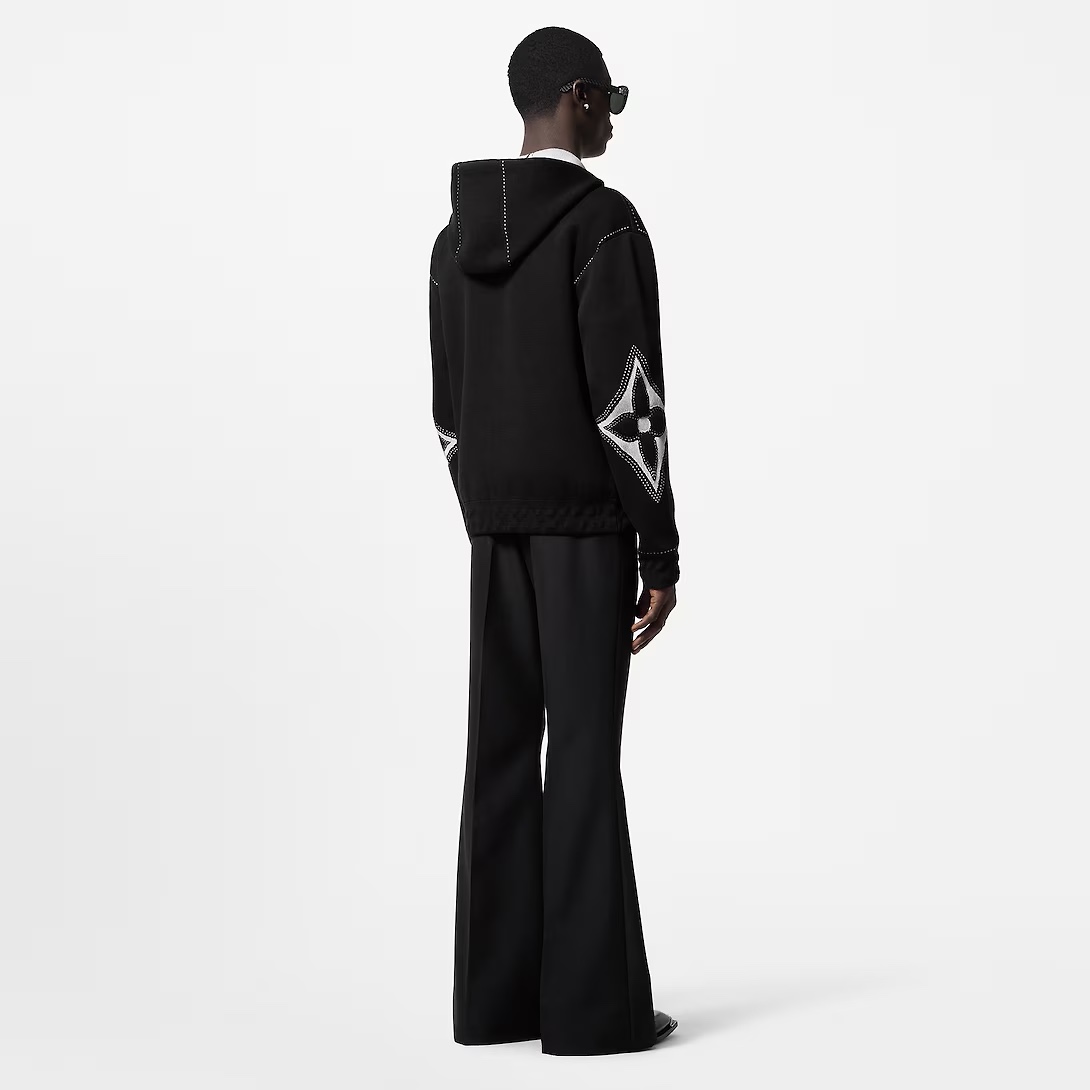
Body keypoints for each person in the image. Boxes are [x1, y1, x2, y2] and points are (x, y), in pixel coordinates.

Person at [428, 25, 681, 1057]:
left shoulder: (451, 243)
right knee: (581, 751)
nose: (611, 120)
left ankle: (494, 1006)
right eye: (608, 100)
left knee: (496, 751)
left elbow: (448, 411)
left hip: (496, 532)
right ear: (576, 96)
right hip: (586, 529)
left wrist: (485, 508)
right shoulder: (603, 224)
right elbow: (630, 399)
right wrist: (658, 549)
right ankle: (590, 1013)